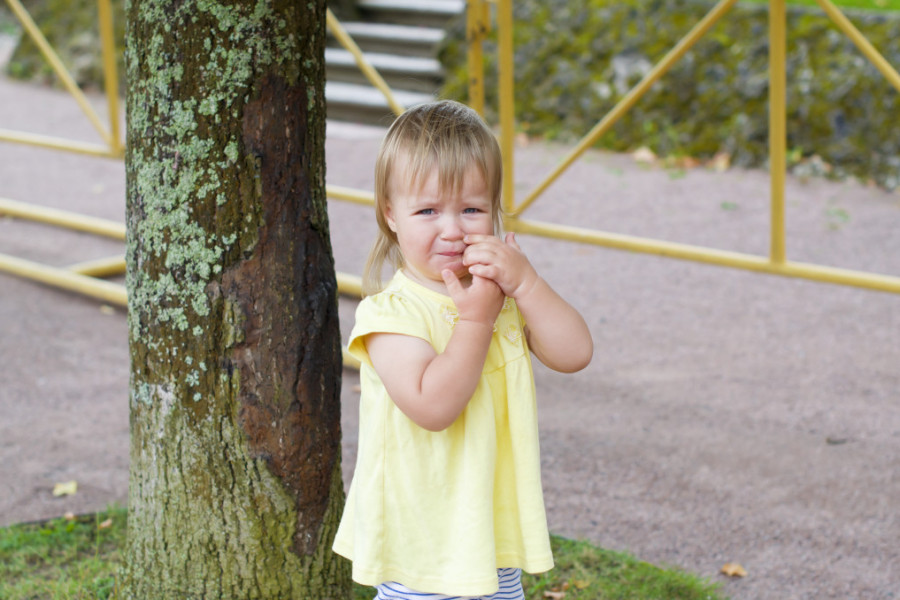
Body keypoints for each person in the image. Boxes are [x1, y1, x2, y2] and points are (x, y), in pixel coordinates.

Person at [333, 100, 593, 600]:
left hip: (491, 540)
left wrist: (529, 284)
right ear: (390, 213)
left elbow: (575, 352)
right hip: (422, 552)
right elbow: (433, 407)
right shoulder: (390, 313)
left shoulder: (500, 292)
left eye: (472, 209)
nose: (452, 229)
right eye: (427, 210)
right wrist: (477, 319)